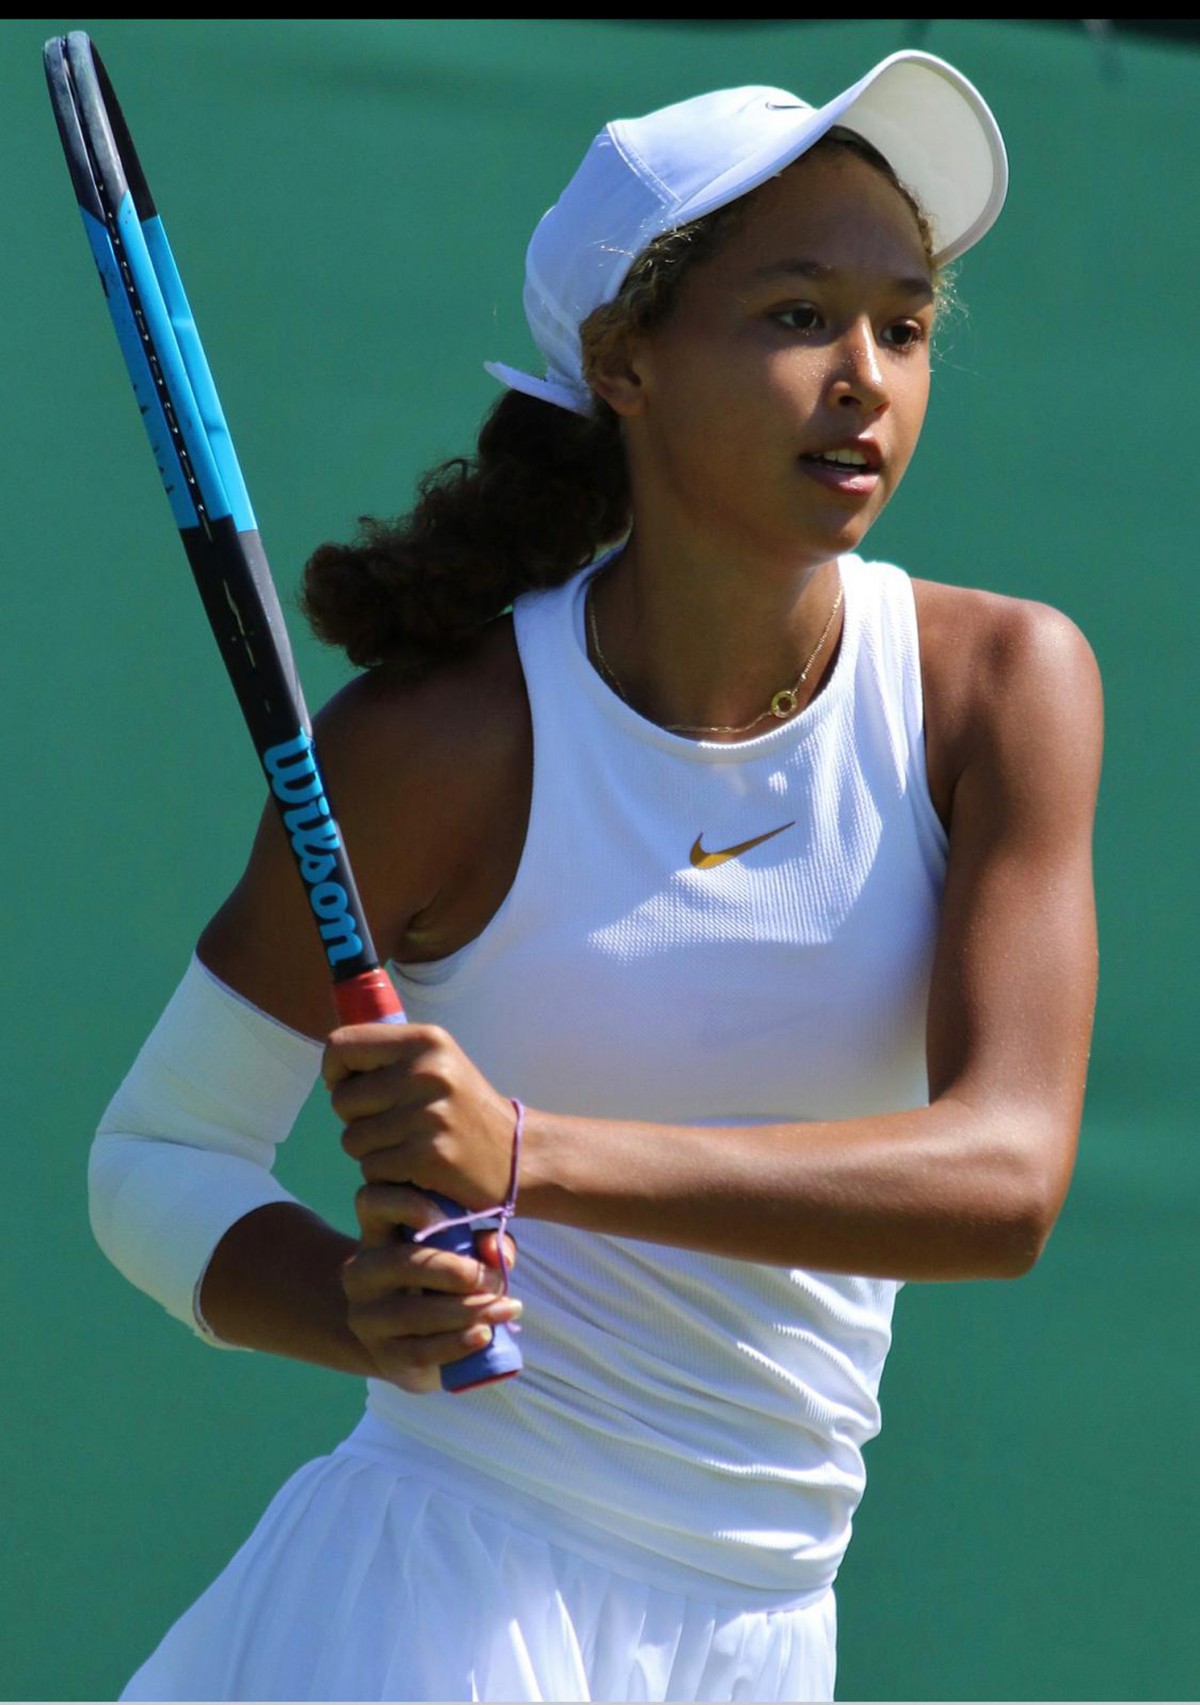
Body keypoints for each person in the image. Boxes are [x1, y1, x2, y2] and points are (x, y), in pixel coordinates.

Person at [93, 47, 1102, 1704]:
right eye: (798, 316)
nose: (866, 377)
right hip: (440, 1595)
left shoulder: (1005, 690)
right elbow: (155, 1154)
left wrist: (527, 1153)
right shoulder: (440, 744)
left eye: (906, 325)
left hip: (771, 1626)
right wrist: (353, 1306)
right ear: (626, 360)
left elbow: (1005, 1181)